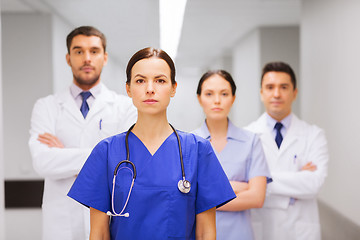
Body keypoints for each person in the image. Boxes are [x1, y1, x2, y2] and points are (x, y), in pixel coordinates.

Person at [68, 47, 236, 240]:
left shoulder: (198, 151)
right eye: (140, 80)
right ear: (128, 89)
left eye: (160, 80)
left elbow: (206, 233)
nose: (150, 88)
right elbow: (99, 234)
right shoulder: (106, 152)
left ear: (173, 88)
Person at [28, 26, 137, 240]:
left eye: (94, 51)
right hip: (61, 222)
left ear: (104, 58)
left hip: (109, 216)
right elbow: (42, 161)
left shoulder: (126, 107)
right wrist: (102, 155)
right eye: (79, 51)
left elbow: (125, 163)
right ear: (68, 58)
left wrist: (65, 155)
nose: (87, 58)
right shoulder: (47, 106)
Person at [245, 62, 329, 240]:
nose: (276, 94)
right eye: (270, 87)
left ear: (294, 93)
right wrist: (297, 177)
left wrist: (259, 181)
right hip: (260, 229)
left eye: (284, 87)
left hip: (300, 230)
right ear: (261, 93)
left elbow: (314, 184)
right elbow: (241, 185)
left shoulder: (314, 134)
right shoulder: (247, 135)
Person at [193, 70, 272, 240]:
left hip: (239, 234)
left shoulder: (251, 141)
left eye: (224, 94)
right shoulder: (188, 143)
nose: (217, 100)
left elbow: (257, 197)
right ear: (199, 98)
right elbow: (186, 198)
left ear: (233, 98)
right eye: (209, 94)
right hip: (199, 234)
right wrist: (238, 187)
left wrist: (204, 197)